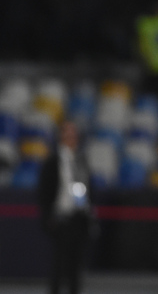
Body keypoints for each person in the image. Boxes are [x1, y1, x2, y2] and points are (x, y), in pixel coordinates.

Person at [37, 120, 94, 294]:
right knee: (59, 265)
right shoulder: (52, 162)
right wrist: (48, 217)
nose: (71, 137)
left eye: (73, 134)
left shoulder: (82, 160)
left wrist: (88, 212)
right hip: (61, 217)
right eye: (67, 133)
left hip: (80, 217)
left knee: (76, 266)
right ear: (60, 137)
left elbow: (89, 187)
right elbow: (44, 192)